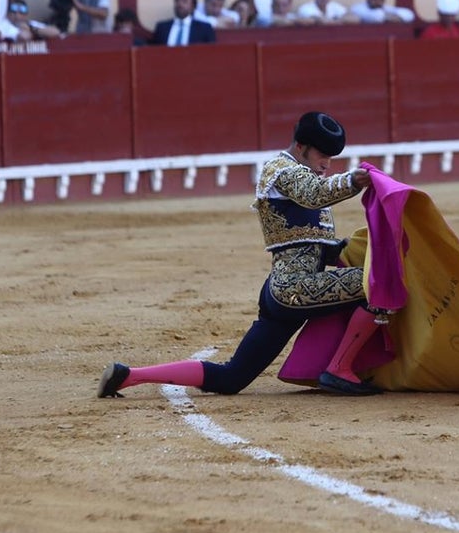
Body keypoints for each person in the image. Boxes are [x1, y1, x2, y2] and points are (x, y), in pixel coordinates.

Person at [98, 112, 380, 398]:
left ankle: (129, 376)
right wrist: (352, 182)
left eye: (331, 159)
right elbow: (313, 194)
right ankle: (339, 369)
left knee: (231, 378)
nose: (326, 164)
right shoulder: (281, 170)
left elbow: (307, 240)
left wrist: (346, 248)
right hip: (296, 289)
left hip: (283, 293)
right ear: (301, 145)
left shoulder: (299, 173)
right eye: (322, 155)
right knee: (379, 281)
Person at [149, 0, 216, 46]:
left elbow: (211, 53)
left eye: (184, 1)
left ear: (192, 6)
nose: (180, 4)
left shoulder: (204, 29)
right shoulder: (161, 28)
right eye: (177, 0)